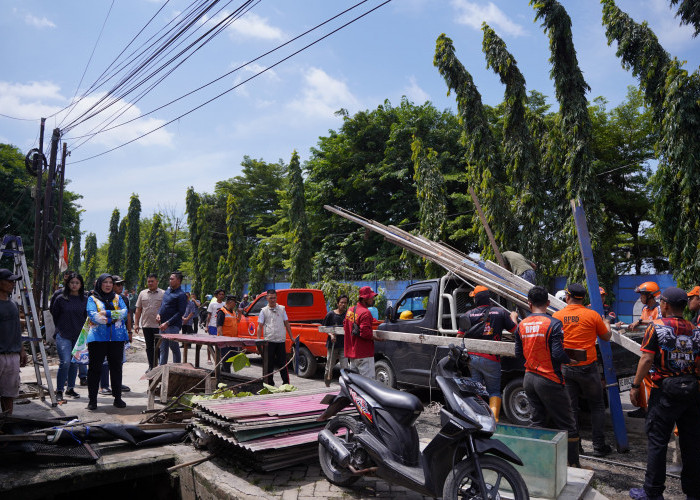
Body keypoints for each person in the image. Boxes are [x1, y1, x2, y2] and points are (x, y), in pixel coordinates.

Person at [628, 287, 700, 500]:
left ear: (666, 305)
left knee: (658, 442)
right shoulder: (695, 329)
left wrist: (635, 385)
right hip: (692, 392)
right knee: (692, 444)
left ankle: (653, 492)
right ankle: (694, 493)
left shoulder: (656, 327)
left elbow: (646, 359)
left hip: (664, 393)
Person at [514, 285, 580, 467]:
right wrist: (570, 361)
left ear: (529, 303)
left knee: (537, 421)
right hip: (549, 379)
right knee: (568, 425)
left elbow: (519, 354)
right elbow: (558, 354)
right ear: (548, 303)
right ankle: (573, 466)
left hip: (529, 378)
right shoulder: (553, 323)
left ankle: (535, 463)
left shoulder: (521, 325)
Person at [552, 283, 613, 457]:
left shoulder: (557, 316)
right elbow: (606, 337)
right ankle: (599, 446)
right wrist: (606, 323)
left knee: (571, 408)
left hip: (567, 367)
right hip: (588, 368)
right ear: (583, 298)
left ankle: (574, 446)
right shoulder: (592, 315)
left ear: (567, 297)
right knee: (597, 406)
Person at [457, 285, 518, 421]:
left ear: (476, 300)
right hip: (491, 359)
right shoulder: (500, 312)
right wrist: (513, 316)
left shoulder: (468, 315)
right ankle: (494, 421)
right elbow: (516, 331)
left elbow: (459, 337)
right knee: (494, 391)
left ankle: (478, 419)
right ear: (488, 298)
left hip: (472, 359)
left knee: (476, 389)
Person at [86, 274, 129, 410]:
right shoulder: (92, 299)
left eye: (110, 282)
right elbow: (94, 316)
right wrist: (114, 318)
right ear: (99, 284)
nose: (108, 285)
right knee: (94, 369)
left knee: (116, 368)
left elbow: (124, 312)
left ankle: (118, 398)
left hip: (117, 338)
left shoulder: (118, 298)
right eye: (105, 282)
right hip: (97, 339)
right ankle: (92, 401)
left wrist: (108, 314)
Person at [621, 281, 661, 418]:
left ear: (650, 295)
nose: (640, 298)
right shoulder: (645, 310)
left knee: (651, 381)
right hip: (644, 348)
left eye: (642, 294)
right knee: (642, 379)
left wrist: (639, 322)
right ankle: (643, 408)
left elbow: (659, 323)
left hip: (655, 351)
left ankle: (652, 410)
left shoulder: (659, 309)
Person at [49, 272, 88, 402]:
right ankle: (59, 390)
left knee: (74, 363)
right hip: (63, 334)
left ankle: (70, 388)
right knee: (65, 362)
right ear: (68, 284)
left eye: (77, 283)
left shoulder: (85, 299)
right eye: (72, 282)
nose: (74, 285)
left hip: (79, 336)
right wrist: (60, 328)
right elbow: (55, 315)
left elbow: (87, 317)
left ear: (81, 284)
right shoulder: (61, 299)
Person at [0, 269, 27, 415]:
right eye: (9, 280)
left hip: (12, 355)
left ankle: (7, 422)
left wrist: (21, 350)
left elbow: (17, 330)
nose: (12, 284)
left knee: (9, 393)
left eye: (13, 281)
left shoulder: (13, 304)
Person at [256, 289, 295, 386]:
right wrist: (257, 341)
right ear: (267, 298)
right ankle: (269, 384)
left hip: (281, 340)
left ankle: (286, 383)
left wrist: (291, 337)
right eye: (271, 298)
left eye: (274, 298)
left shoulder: (282, 309)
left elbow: (286, 323)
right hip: (269, 341)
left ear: (276, 298)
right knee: (269, 364)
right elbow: (259, 326)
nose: (273, 300)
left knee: (283, 363)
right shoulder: (263, 311)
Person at [344, 286, 381, 379]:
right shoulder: (365, 313)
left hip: (352, 354)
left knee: (355, 382)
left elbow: (345, 325)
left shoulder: (350, 310)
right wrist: (378, 339)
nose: (373, 299)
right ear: (365, 298)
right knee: (368, 383)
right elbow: (365, 333)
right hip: (364, 354)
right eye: (371, 297)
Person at [134, 274, 164, 371]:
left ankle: (159, 365)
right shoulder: (142, 293)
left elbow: (166, 309)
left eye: (152, 281)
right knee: (149, 347)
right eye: (148, 281)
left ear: (157, 282)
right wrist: (136, 324)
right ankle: (151, 366)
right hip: (146, 325)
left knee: (158, 347)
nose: (150, 283)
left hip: (158, 326)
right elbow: (138, 310)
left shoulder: (163, 293)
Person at [157, 271, 188, 365]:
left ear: (178, 281)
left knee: (174, 347)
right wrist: (158, 314)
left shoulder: (181, 295)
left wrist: (168, 323)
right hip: (162, 325)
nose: (169, 280)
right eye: (169, 278)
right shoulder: (167, 291)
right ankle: (162, 369)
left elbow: (181, 312)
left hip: (172, 326)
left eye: (172, 279)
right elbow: (163, 305)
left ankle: (176, 368)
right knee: (163, 348)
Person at [322, 295, 349, 387]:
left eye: (345, 303)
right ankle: (327, 384)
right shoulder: (330, 315)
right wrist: (331, 334)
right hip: (332, 345)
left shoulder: (347, 315)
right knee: (329, 367)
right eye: (341, 302)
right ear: (338, 303)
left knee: (345, 367)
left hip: (343, 346)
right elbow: (324, 328)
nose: (343, 304)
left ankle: (345, 386)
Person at [217, 295, 239, 372]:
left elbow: (237, 322)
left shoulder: (233, 312)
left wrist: (240, 313)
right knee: (226, 360)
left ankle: (222, 375)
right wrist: (222, 339)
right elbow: (219, 327)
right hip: (225, 342)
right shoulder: (222, 312)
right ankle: (226, 376)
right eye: (235, 303)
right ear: (230, 302)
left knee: (232, 357)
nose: (235, 305)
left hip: (233, 341)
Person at [205, 289, 225, 362]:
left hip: (220, 326)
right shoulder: (212, 304)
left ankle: (218, 358)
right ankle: (209, 358)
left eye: (223, 294)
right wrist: (207, 326)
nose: (221, 296)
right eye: (220, 294)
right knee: (210, 342)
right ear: (216, 295)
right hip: (212, 326)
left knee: (219, 343)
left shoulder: (224, 304)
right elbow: (209, 315)